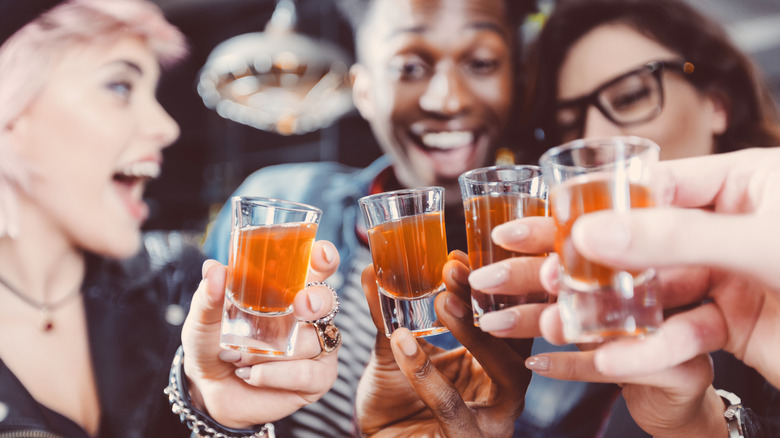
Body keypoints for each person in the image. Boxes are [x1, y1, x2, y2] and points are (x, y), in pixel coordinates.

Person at [203, 0, 623, 436]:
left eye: (480, 63)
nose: (447, 100)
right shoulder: (276, 205)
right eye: (409, 68)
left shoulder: (581, 277)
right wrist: (213, 408)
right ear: (363, 91)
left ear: (517, 83)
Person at [0, 1, 341, 436]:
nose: (167, 127)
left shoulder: (177, 283)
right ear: (10, 114)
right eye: (120, 86)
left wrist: (215, 414)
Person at [466, 0, 780, 436]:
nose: (594, 140)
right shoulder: (572, 319)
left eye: (630, 96)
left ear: (717, 103)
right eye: (571, 123)